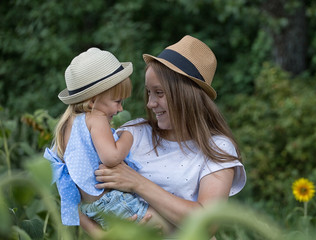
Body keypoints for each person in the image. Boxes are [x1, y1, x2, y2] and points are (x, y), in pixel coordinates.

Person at [80, 35, 246, 238]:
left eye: (159, 93)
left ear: (187, 96)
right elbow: (78, 184)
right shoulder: (133, 133)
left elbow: (206, 224)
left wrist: (137, 183)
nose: (150, 103)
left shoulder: (217, 149)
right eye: (149, 92)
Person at [43, 47, 171, 231]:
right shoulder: (96, 118)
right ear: (93, 101)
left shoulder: (66, 128)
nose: (120, 109)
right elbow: (111, 157)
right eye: (117, 101)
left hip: (93, 210)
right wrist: (127, 136)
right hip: (115, 201)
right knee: (179, 229)